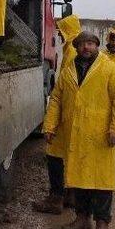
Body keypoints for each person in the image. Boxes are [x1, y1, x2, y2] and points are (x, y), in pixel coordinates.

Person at [42, 31, 115, 229]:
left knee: (102, 183)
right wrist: (50, 125)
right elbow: (56, 99)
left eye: (90, 43)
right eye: (82, 44)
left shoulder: (110, 69)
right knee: (79, 180)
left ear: (97, 45)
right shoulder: (68, 71)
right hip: (76, 135)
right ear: (76, 47)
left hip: (101, 136)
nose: (86, 47)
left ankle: (102, 223)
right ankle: (82, 219)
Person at [33, 14, 81, 214]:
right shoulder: (73, 51)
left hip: (67, 117)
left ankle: (56, 199)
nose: (59, 34)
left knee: (54, 156)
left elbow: (62, 92)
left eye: (62, 31)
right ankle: (70, 196)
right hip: (72, 117)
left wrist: (52, 122)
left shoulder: (72, 54)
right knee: (69, 157)